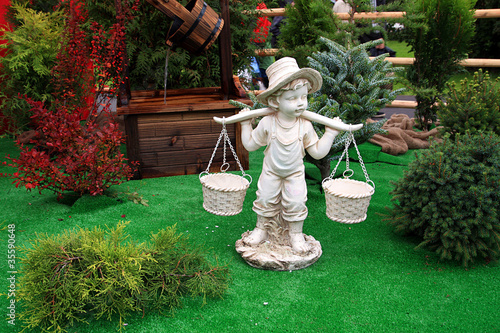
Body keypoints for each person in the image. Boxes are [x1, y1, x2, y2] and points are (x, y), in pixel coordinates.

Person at [239, 57, 340, 253]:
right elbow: (250, 145)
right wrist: (245, 125)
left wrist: (330, 133)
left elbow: (318, 153)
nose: (300, 103)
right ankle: (261, 230)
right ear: (275, 100)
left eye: (303, 97)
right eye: (292, 98)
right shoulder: (268, 122)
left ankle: (295, 235)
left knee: (296, 202)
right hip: (271, 173)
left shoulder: (305, 125)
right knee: (265, 199)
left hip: (294, 174)